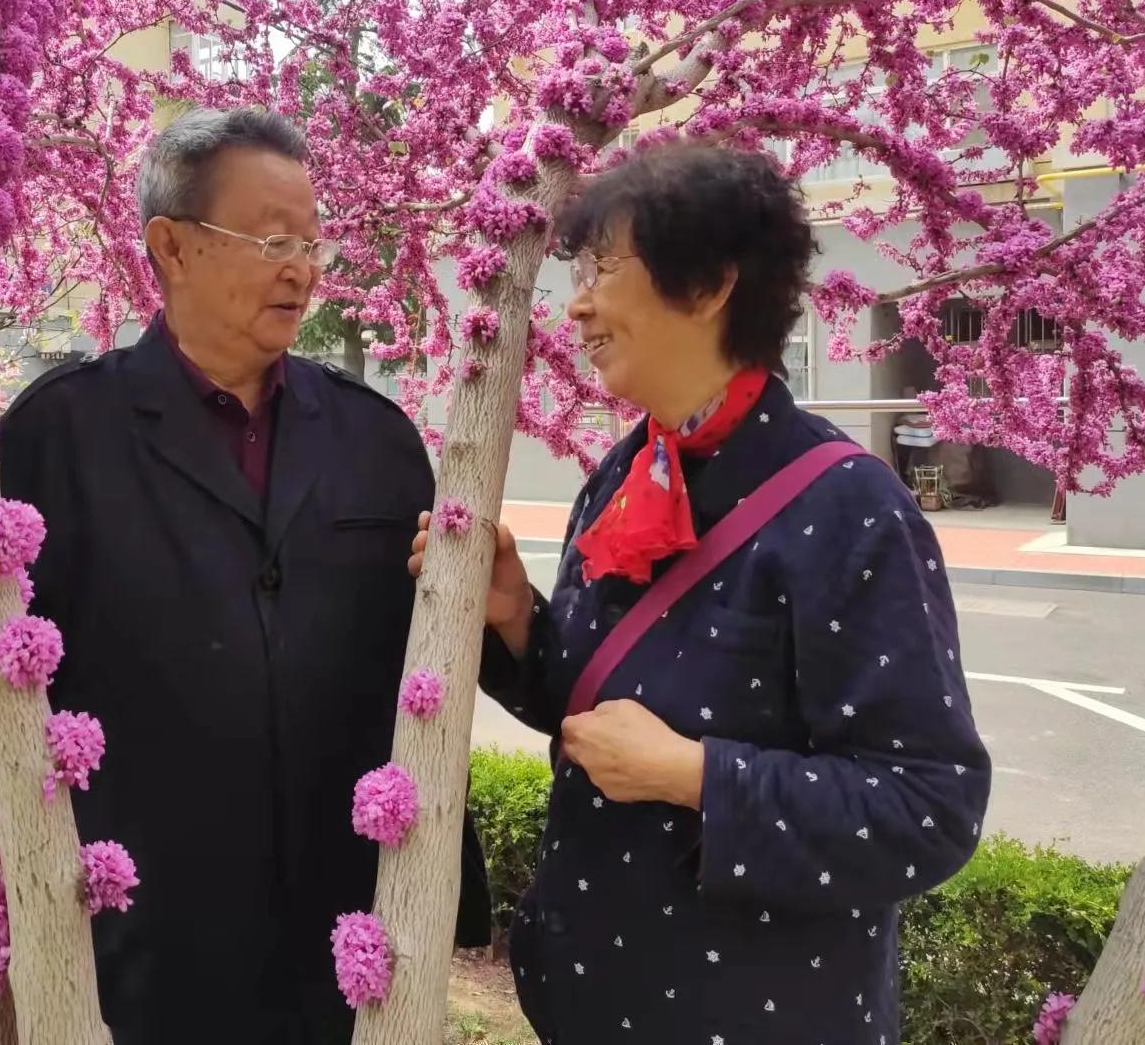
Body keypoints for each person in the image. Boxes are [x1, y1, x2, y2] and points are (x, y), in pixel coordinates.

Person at [411, 142, 991, 1043]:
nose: (579, 302)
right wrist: (517, 618)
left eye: (605, 266)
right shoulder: (625, 475)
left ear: (712, 283)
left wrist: (698, 776)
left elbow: (930, 807)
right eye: (577, 269)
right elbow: (594, 713)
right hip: (587, 1006)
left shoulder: (851, 507)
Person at [0, 106, 489, 1045]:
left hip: (343, 935)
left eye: (310, 241)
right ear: (171, 247)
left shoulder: (377, 441)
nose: (300, 268)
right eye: (269, 239)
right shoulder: (56, 439)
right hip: (146, 935)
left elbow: (425, 667)